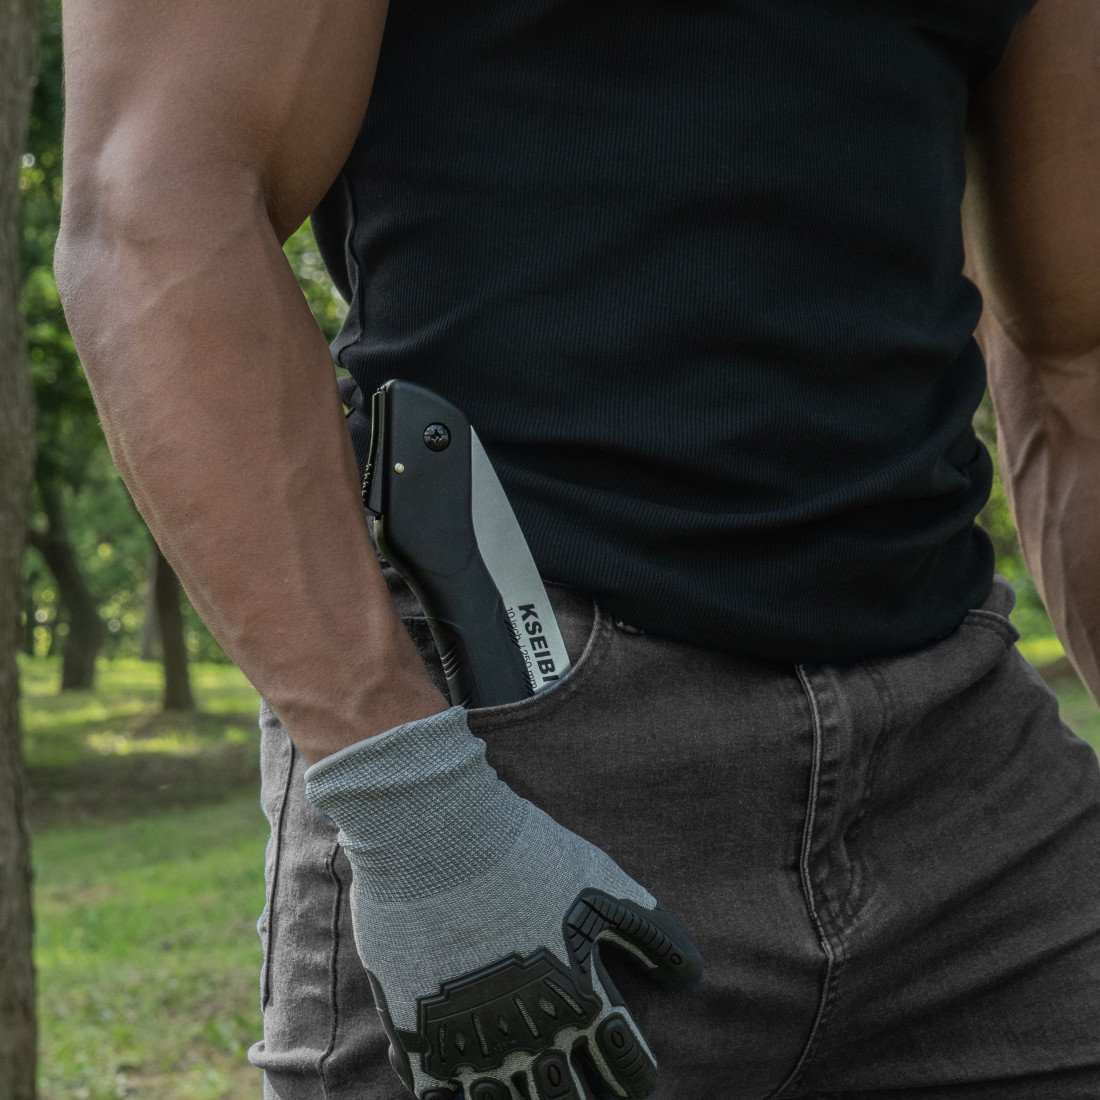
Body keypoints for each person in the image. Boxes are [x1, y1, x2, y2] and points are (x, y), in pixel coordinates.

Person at [55, 0, 1100, 1095]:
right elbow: (153, 203)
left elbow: (1073, 350)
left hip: (969, 787)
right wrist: (413, 803)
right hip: (517, 746)